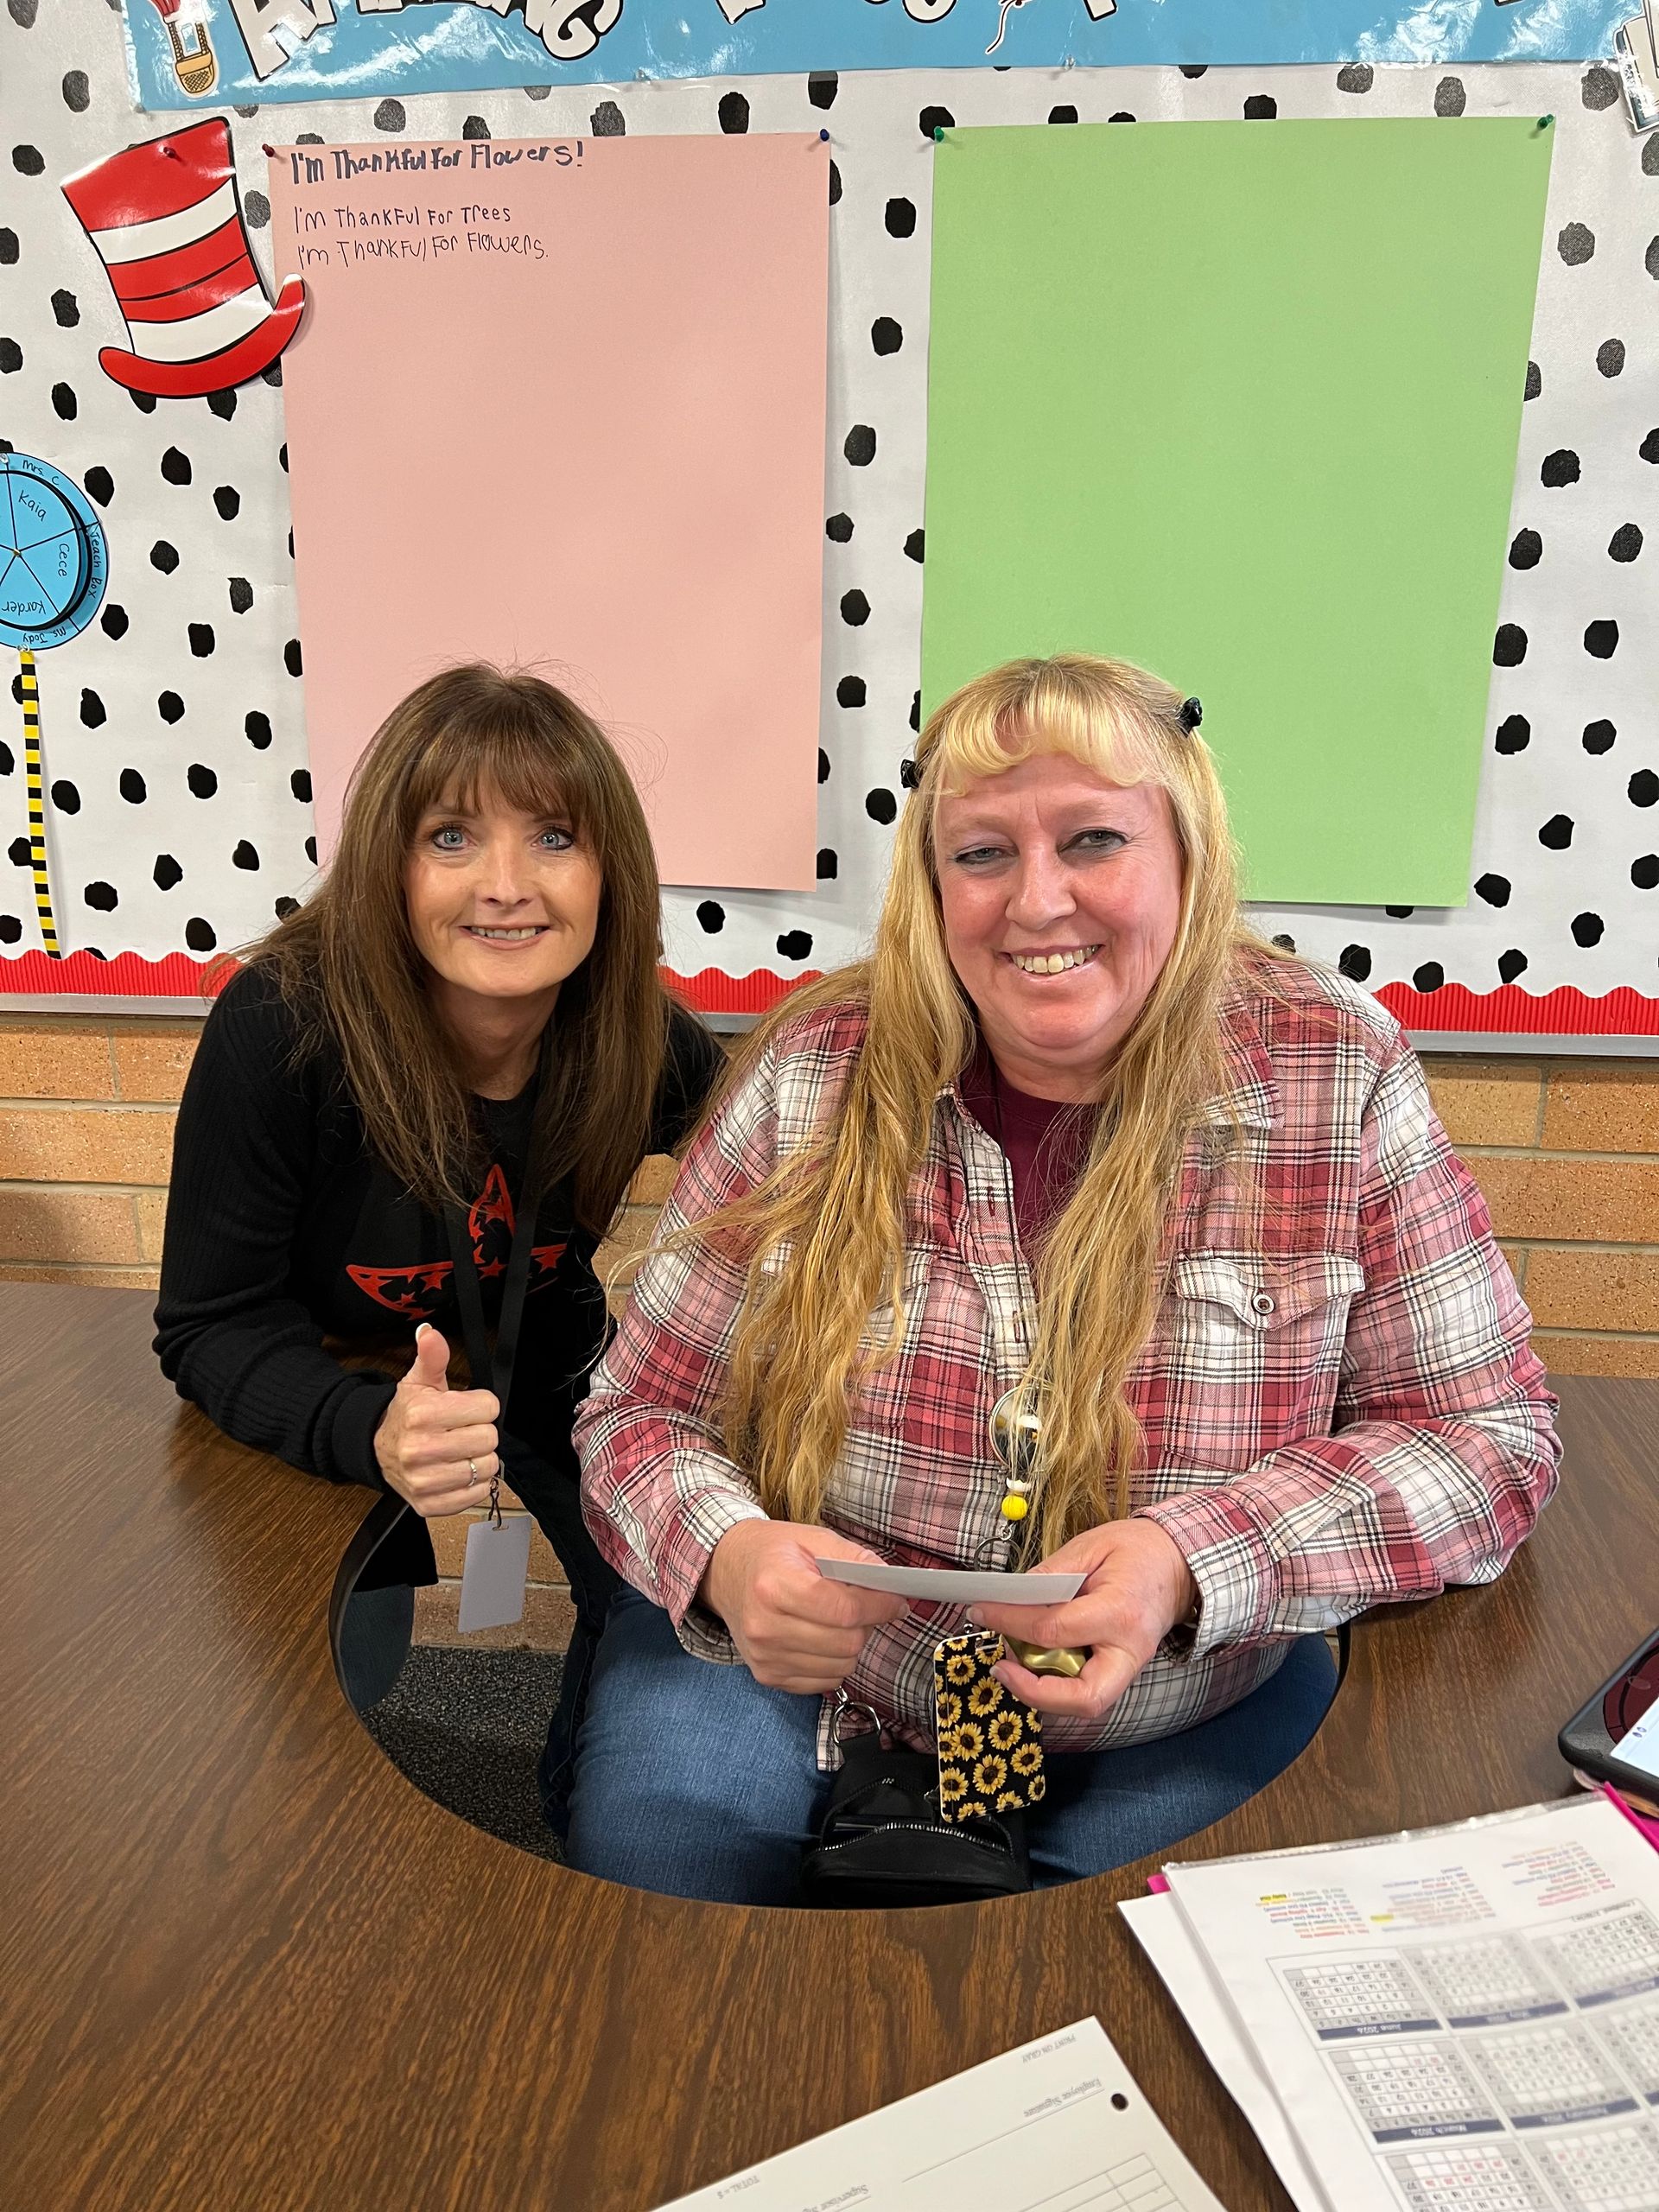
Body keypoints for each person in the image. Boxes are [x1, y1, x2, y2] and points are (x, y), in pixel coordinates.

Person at [569, 652, 1560, 1902]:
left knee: (1120, 1970)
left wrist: (1195, 1558)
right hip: (815, 1683)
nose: (1037, 903)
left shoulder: (1333, 1068)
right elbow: (636, 1415)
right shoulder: (812, 1069)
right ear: (931, 886)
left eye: (1093, 839)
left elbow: (1486, 1437)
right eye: (982, 854)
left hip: (1173, 1700)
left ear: (1187, 854)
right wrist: (728, 1554)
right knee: (661, 1885)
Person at [155, 664, 722, 1822]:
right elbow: (210, 1325)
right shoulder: (282, 1030)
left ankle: (569, 1809)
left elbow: (785, 1177)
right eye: (451, 836)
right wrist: (367, 1429)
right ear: (388, 870)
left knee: (655, 1619)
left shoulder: (633, 1032)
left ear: (610, 871)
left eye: (554, 836)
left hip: (540, 1355)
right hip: (345, 1375)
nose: (506, 887)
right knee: (314, 1731)